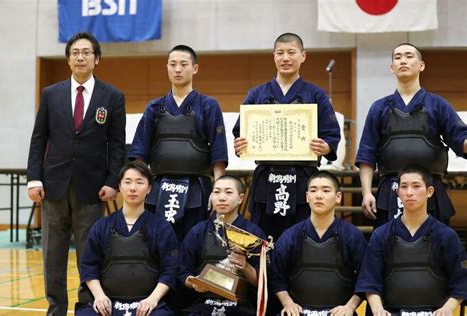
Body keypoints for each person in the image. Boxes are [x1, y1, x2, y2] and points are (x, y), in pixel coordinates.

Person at [26, 32, 126, 315]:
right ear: (69, 59)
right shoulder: (51, 94)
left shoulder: (113, 96)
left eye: (86, 52)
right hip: (53, 186)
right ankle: (56, 308)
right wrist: (34, 177)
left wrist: (112, 181)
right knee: (52, 255)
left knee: (89, 252)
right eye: (75, 53)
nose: (80, 57)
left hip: (92, 188)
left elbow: (117, 145)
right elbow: (38, 139)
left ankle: (86, 307)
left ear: (96, 59)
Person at [232, 33, 341, 240]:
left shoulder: (316, 94)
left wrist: (326, 147)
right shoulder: (256, 94)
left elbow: (331, 134)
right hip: (267, 176)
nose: (286, 58)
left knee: (300, 237)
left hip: (302, 177)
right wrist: (240, 144)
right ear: (273, 56)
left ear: (303, 56)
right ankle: (264, 273)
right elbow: (240, 131)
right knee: (263, 238)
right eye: (280, 53)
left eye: (291, 52)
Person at [356, 43, 467, 228]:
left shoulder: (437, 104)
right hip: (390, 190)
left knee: (435, 250)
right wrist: (367, 192)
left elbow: (460, 139)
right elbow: (367, 154)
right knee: (388, 250)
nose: (403, 61)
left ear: (421, 65)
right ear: (392, 68)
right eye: (398, 57)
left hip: (429, 189)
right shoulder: (379, 107)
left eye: (409, 56)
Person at [128, 45, 228, 242]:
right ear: (167, 68)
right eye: (173, 65)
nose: (178, 69)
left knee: (194, 243)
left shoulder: (208, 105)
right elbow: (139, 152)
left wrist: (218, 189)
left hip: (197, 189)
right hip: (159, 188)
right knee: (159, 243)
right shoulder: (154, 107)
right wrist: (139, 186)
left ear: (195, 68)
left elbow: (218, 152)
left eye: (183, 64)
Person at [356, 164, 467, 315]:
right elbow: (370, 280)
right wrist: (378, 310)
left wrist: (447, 308)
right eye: (404, 187)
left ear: (430, 191)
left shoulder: (447, 236)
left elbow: (461, 281)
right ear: (397, 192)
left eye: (416, 186)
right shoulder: (381, 235)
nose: (409, 193)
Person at [76, 161, 178, 316]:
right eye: (128, 182)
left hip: (148, 303)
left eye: (140, 182)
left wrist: (153, 299)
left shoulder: (162, 227)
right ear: (119, 186)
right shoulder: (101, 226)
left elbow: (169, 269)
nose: (133, 188)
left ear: (149, 188)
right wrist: (99, 296)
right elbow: (89, 266)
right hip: (108, 301)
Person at [271, 171, 367, 316]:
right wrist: (288, 303)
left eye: (326, 190)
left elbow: (366, 277)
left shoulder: (352, 235)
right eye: (313, 190)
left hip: (339, 313)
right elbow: (277, 277)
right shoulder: (290, 236)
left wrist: (349, 307)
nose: (319, 196)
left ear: (338, 197)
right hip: (299, 312)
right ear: (307, 196)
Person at [178, 175, 266, 315]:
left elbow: (265, 283)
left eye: (229, 192)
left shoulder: (253, 233)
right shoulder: (198, 231)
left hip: (241, 307)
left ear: (240, 199)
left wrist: (246, 267)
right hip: (203, 305)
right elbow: (183, 272)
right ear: (211, 196)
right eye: (217, 192)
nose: (222, 197)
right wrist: (195, 283)